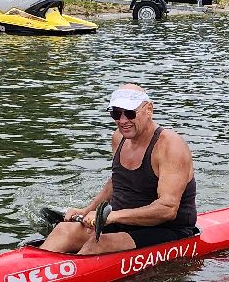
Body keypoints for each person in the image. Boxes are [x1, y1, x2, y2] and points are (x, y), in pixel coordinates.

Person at [41, 84, 198, 256]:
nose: (123, 121)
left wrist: (112, 216)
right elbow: (117, 180)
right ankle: (29, 273)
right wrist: (87, 210)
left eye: (130, 113)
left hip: (168, 229)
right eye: (116, 114)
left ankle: (64, 277)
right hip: (122, 223)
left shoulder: (170, 146)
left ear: (149, 110)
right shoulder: (119, 137)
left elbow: (167, 209)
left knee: (96, 246)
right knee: (63, 230)